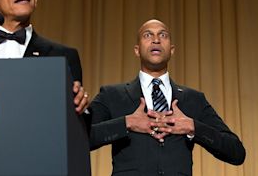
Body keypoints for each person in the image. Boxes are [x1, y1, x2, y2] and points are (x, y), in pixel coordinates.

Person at [88, 19, 246, 175]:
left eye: (163, 35)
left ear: (171, 50)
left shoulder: (193, 99)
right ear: (137, 50)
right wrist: (126, 123)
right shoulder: (112, 95)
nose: (156, 40)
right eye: (148, 35)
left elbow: (236, 152)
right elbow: (79, 140)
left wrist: (193, 127)